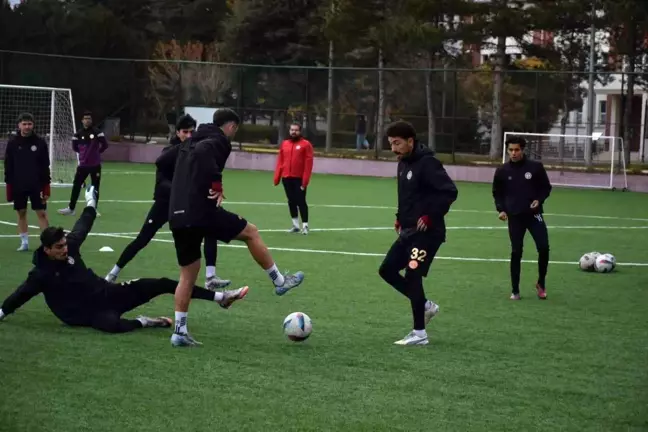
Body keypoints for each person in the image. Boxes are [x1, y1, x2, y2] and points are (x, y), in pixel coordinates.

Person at [0, 186, 248, 334]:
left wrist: (90, 203)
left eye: (64, 244)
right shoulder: (40, 274)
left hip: (109, 294)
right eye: (59, 247)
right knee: (112, 326)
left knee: (160, 283)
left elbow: (82, 226)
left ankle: (220, 298)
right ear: (46, 250)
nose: (65, 249)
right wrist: (1, 311)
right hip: (84, 316)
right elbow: (20, 295)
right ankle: (145, 322)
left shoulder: (71, 247)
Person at [159, 108, 304, 347]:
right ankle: (280, 282)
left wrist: (182, 184)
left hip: (176, 214)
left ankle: (180, 332)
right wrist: (216, 182)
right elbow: (206, 153)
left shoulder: (189, 140)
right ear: (232, 127)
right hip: (200, 212)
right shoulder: (218, 140)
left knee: (187, 274)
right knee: (251, 232)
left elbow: (162, 160)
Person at [105, 115, 230, 290]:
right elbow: (161, 182)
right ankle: (113, 273)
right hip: (166, 203)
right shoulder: (171, 151)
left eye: (191, 132)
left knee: (210, 228)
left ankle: (210, 277)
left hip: (187, 205)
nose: (188, 135)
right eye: (185, 131)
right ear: (177, 132)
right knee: (143, 238)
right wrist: (181, 190)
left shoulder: (196, 150)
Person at [378, 121, 458, 346]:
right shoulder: (402, 163)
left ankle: (419, 334)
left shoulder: (428, 163)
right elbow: (406, 195)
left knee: (412, 274)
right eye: (391, 144)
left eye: (397, 143)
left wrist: (429, 215)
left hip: (428, 233)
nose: (393, 149)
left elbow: (450, 191)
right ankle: (425, 306)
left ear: (410, 141)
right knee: (387, 270)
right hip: (408, 231)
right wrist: (399, 216)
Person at [492, 136, 552, 301]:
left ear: (523, 150)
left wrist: (539, 199)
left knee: (544, 248)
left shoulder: (535, 167)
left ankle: (541, 283)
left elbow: (546, 188)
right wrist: (501, 209)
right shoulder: (502, 171)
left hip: (534, 215)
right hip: (515, 217)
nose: (513, 153)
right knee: (516, 251)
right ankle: (515, 289)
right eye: (510, 150)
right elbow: (497, 193)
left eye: (517, 150)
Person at [3, 112, 51, 252]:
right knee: (21, 212)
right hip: (18, 185)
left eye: (29, 124)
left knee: (41, 213)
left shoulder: (40, 143)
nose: (27, 127)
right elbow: (8, 166)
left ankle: (46, 244)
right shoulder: (12, 143)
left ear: (33, 125)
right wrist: (9, 185)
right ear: (19, 125)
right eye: (24, 124)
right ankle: (24, 242)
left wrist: (46, 186)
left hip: (37, 185)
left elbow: (45, 166)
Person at [58, 111, 108, 216]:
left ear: (91, 120)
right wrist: (83, 155)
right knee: (76, 185)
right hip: (83, 165)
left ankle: (93, 209)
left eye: (89, 118)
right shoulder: (78, 134)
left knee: (95, 187)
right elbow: (75, 147)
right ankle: (71, 208)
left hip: (95, 165)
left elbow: (105, 145)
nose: (87, 120)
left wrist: (96, 153)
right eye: (85, 118)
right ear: (82, 120)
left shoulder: (97, 132)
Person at [273, 123, 314, 234]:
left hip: (299, 179)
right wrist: (277, 177)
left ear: (300, 131)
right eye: (292, 130)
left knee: (301, 201)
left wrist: (305, 181)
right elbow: (280, 161)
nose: (293, 132)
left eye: (296, 130)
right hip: (286, 178)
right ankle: (295, 225)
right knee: (291, 201)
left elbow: (308, 164)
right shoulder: (285, 144)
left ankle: (305, 225)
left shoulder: (306, 145)